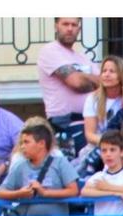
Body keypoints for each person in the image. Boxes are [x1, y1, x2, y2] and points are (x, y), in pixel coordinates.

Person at [36, 17, 97, 153]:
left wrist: (82, 76)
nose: (70, 29)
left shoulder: (83, 58)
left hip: (90, 124)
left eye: (74, 25)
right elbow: (76, 82)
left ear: (79, 29)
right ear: (56, 26)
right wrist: (90, 79)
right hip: (65, 126)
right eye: (65, 24)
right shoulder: (50, 51)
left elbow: (105, 83)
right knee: (72, 172)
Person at [0, 122, 79, 216]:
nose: (22, 147)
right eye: (21, 143)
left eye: (26, 142)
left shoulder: (60, 163)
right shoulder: (20, 166)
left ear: (41, 143)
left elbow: (73, 191)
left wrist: (45, 193)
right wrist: (19, 193)